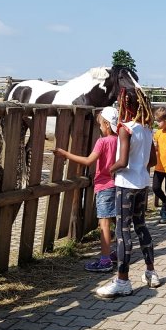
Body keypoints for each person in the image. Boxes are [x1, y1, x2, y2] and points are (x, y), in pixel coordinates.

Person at [96, 85, 160, 297]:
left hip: (125, 185)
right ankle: (151, 272)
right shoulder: (148, 128)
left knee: (123, 232)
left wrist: (110, 170)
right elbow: (152, 160)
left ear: (125, 105)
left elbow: (122, 161)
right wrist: (140, 167)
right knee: (141, 226)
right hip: (142, 183)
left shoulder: (126, 128)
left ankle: (123, 280)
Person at [53, 107, 119, 272]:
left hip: (104, 186)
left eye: (101, 125)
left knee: (104, 224)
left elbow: (89, 161)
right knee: (118, 222)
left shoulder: (102, 142)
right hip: (119, 185)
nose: (100, 128)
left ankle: (105, 261)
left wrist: (65, 154)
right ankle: (117, 253)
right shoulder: (120, 140)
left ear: (107, 125)